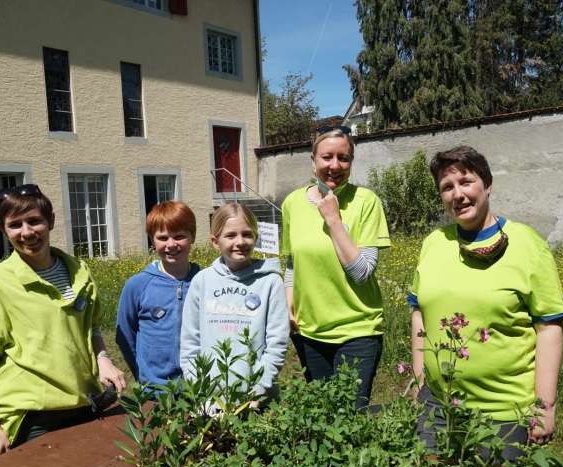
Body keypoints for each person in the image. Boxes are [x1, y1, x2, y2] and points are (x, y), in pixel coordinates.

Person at [408, 145, 563, 456]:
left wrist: (545, 406)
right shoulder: (434, 244)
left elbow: (549, 328)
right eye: (447, 187)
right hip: (438, 405)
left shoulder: (527, 245)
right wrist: (418, 379)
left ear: (487, 184)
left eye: (466, 182)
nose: (458, 194)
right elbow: (418, 313)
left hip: (503, 414)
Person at [0, 184, 126, 463]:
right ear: (3, 230)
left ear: (50, 220)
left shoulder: (78, 271)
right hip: (33, 416)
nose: (27, 232)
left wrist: (103, 358)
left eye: (34, 221)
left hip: (85, 403)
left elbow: (91, 328)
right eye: (15, 225)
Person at [281, 126, 391, 408]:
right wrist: (289, 304)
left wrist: (333, 220)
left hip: (357, 330)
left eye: (344, 158)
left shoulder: (366, 202)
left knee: (352, 417)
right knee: (324, 415)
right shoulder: (292, 203)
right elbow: (293, 262)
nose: (335, 165)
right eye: (327, 157)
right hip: (310, 333)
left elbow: (362, 272)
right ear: (313, 160)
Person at [179, 203, 289, 403]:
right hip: (209, 399)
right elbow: (190, 343)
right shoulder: (202, 282)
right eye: (230, 236)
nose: (240, 241)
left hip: (256, 399)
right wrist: (200, 390)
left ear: (256, 237)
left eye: (247, 234)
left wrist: (257, 390)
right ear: (215, 241)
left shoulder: (270, 282)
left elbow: (277, 344)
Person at [115, 201, 200, 386]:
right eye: (163, 238)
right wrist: (142, 373)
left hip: (199, 387)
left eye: (179, 236)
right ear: (152, 240)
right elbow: (125, 335)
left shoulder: (205, 282)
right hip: (154, 390)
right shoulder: (138, 285)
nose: (171, 244)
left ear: (192, 236)